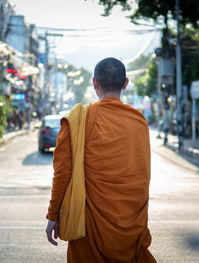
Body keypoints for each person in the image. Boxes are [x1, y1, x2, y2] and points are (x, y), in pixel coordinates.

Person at [46, 57, 156, 262]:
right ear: (126, 83)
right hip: (130, 226)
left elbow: (62, 173)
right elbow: (142, 178)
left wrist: (53, 216)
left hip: (89, 227)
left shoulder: (79, 119)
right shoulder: (139, 121)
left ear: (94, 83)